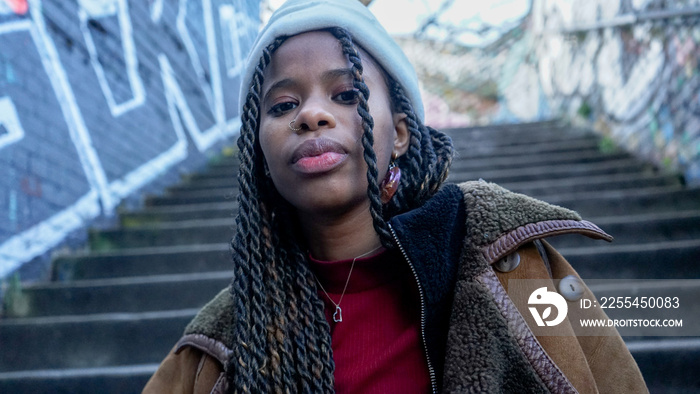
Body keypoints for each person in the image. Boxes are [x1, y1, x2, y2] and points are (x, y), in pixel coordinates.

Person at [144, 0, 648, 392]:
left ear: (400, 133)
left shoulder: (507, 263)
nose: (311, 115)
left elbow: (619, 354)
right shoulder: (220, 341)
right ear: (258, 148)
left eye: (347, 95)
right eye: (282, 105)